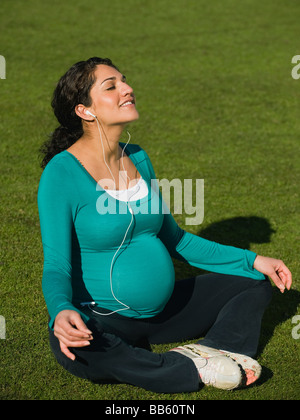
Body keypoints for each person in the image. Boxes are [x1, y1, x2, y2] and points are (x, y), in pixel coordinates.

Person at [38, 57, 292, 393]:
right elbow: (57, 265)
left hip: (166, 312)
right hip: (104, 318)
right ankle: (185, 368)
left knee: (253, 283)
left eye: (124, 81)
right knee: (75, 350)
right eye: (111, 86)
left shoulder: (138, 157)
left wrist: (253, 260)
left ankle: (207, 350)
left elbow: (175, 239)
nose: (127, 89)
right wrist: (61, 310)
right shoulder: (62, 173)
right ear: (86, 111)